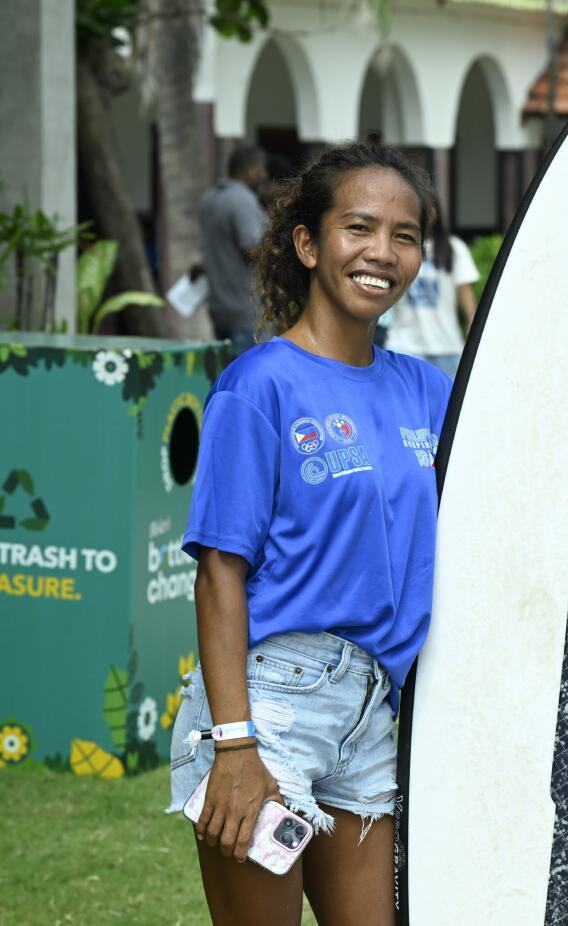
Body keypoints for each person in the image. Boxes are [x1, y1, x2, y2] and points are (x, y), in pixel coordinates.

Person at [168, 142, 451, 924]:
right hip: (267, 707)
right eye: (359, 227)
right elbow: (219, 571)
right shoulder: (259, 386)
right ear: (307, 242)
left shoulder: (429, 391)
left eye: (405, 235)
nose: (383, 253)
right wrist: (234, 746)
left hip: (373, 713)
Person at [380, 195, 479, 375]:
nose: (426, 213)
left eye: (429, 208)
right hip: (403, 342)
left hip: (446, 344)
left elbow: (466, 294)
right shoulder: (395, 245)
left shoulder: (455, 248)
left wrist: (473, 331)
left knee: (449, 402)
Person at [199, 146, 269, 356]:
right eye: (261, 169)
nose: (264, 175)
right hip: (243, 308)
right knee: (249, 378)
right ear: (250, 170)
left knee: (226, 374)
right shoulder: (242, 201)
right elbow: (251, 248)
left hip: (218, 305)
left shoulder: (209, 197)